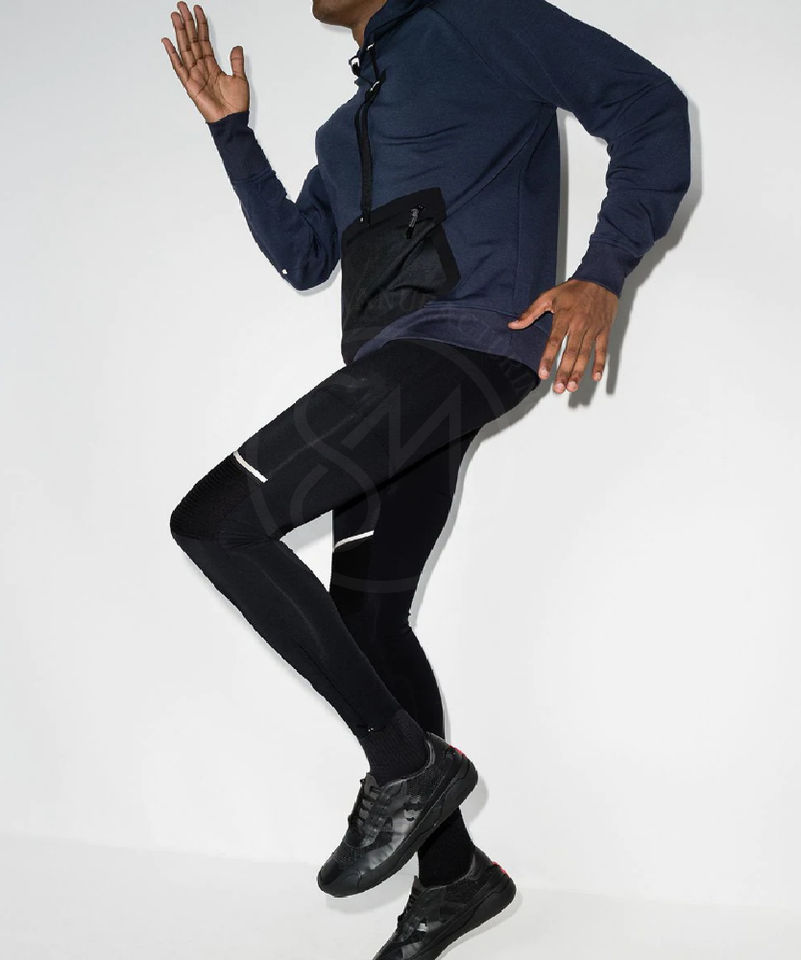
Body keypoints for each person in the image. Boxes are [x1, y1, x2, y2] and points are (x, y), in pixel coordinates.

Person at [161, 0, 691, 956]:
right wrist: (231, 131)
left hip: (462, 346)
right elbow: (302, 256)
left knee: (216, 522)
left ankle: (404, 767)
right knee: (365, 621)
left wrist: (602, 271)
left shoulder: (475, 20)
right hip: (394, 372)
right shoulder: (344, 128)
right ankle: (453, 880)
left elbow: (647, 105)